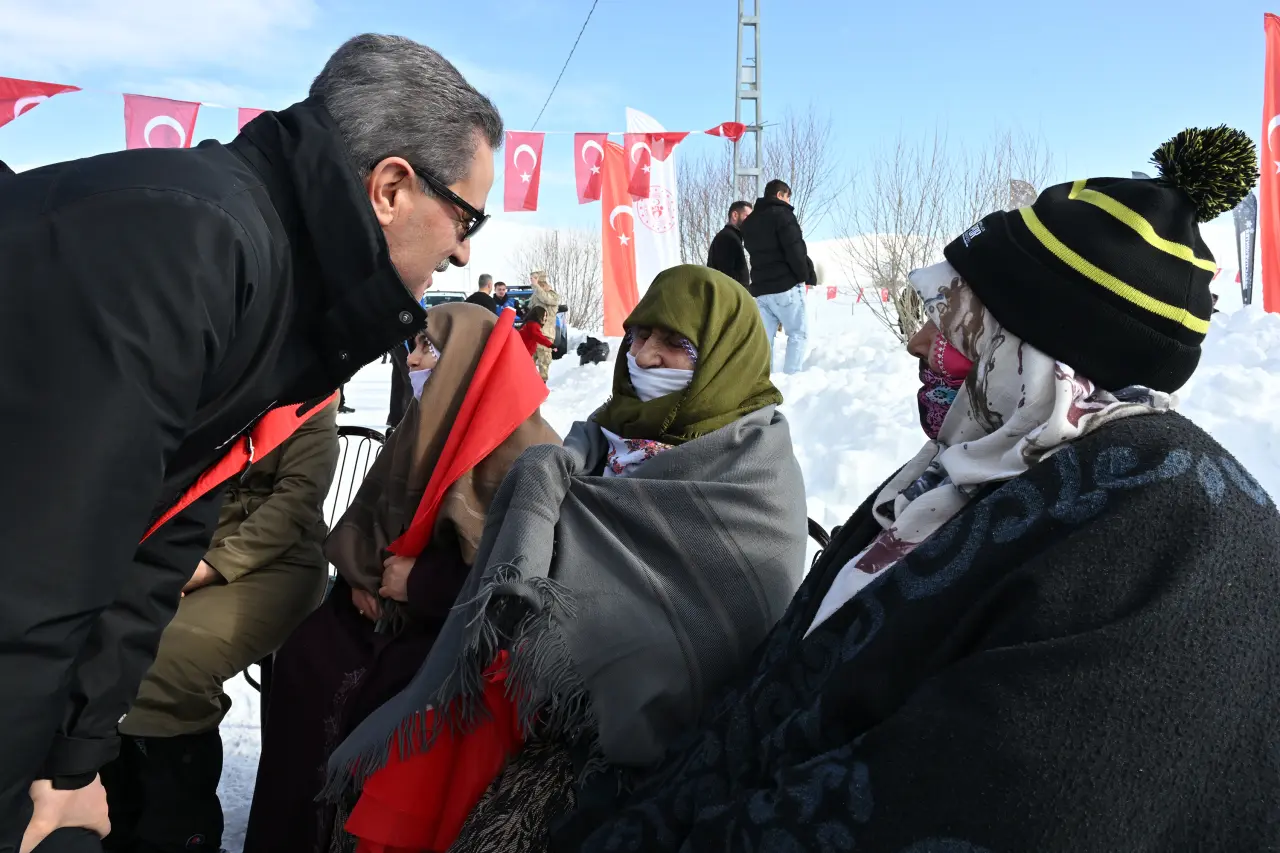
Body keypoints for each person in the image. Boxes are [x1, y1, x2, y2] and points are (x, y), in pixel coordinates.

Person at [553, 128, 1280, 852]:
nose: (916, 343)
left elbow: (962, 803)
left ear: (1042, 349)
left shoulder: (1166, 531)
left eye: (956, 321)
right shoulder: (966, 472)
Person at [0, 33, 501, 853]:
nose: (464, 249)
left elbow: (170, 526)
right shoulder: (195, 248)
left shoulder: (287, 303)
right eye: (466, 215)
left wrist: (76, 759)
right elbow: (35, 570)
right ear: (391, 188)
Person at [323, 265, 810, 853]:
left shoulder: (751, 471)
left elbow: (726, 622)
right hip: (529, 679)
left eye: (676, 344)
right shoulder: (598, 442)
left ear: (727, 358)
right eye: (638, 336)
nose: (645, 358)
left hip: (640, 737)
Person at [242, 304, 558, 853]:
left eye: (427, 350)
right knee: (305, 658)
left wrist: (419, 585)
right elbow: (368, 520)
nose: (412, 362)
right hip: (373, 608)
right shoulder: (421, 425)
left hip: (453, 631)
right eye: (411, 349)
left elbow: (518, 574)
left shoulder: (530, 455)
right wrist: (364, 577)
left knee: (385, 704)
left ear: (469, 362)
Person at [99, 399, 340, 853]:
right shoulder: (222, 385)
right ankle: (115, 813)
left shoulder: (312, 398)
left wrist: (210, 566)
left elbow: (296, 505)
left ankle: (176, 832)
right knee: (111, 632)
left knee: (172, 655)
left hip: (276, 561)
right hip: (190, 545)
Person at [741, 179, 815, 374]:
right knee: (797, 334)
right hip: (786, 286)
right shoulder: (783, 215)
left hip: (760, 290)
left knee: (764, 341)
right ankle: (792, 379)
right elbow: (795, 249)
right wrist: (803, 276)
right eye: (788, 197)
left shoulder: (749, 223)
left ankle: (764, 382)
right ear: (781, 195)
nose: (789, 202)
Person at [705, 200, 752, 288]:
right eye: (747, 216)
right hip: (730, 297)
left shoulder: (732, 237)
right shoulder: (727, 238)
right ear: (735, 215)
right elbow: (726, 275)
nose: (750, 221)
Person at [528, 271, 561, 380]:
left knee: (543, 366)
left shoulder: (552, 295)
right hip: (533, 336)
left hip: (545, 336)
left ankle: (542, 389)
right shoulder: (535, 296)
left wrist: (536, 286)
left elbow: (545, 299)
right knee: (528, 365)